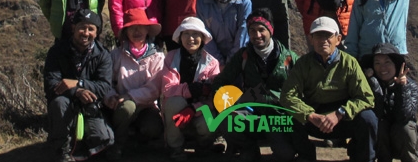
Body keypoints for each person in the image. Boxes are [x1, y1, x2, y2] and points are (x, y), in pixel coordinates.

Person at [280, 16, 377, 162]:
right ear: (311, 39)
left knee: (368, 118)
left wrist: (340, 113)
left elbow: (366, 97)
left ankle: (363, 158)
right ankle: (305, 156)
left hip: (343, 119)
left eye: (328, 35)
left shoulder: (349, 63)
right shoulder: (303, 64)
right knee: (288, 116)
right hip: (315, 119)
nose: (323, 40)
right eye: (318, 35)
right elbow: (287, 96)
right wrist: (310, 115)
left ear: (338, 39)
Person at [211, 8, 298, 162]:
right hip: (251, 114)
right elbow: (220, 82)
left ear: (270, 30)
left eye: (261, 30)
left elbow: (302, 89)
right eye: (252, 30)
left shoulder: (289, 59)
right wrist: (227, 103)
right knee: (227, 119)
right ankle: (248, 149)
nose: (257, 35)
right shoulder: (243, 56)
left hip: (277, 118)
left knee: (286, 155)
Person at [44, 9, 114, 162]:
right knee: (59, 102)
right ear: (73, 28)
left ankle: (85, 147)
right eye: (82, 27)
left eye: (91, 29)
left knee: (103, 139)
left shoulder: (103, 55)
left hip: (91, 104)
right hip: (66, 102)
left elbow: (104, 86)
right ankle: (63, 150)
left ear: (97, 33)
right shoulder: (57, 51)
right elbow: (51, 84)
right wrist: (76, 92)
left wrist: (79, 84)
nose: (86, 32)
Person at [104, 9, 165, 160]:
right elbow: (106, 82)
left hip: (147, 107)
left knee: (152, 128)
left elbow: (155, 88)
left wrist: (130, 96)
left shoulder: (157, 57)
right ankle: (117, 145)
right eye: (132, 27)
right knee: (127, 108)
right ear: (126, 32)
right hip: (121, 106)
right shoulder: (116, 55)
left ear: (147, 30)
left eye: (140, 26)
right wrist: (111, 97)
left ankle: (137, 140)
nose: (137, 31)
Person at [160, 17, 221, 161]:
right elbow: (168, 89)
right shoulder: (170, 58)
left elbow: (214, 98)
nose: (191, 38)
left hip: (200, 110)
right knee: (174, 102)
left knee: (206, 123)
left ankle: (204, 144)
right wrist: (191, 90)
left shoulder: (212, 63)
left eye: (195, 34)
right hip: (177, 110)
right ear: (180, 37)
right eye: (186, 34)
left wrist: (194, 108)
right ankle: (175, 147)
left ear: (202, 37)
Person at [362, 43, 418, 162]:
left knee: (406, 128)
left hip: (401, 140)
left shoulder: (411, 86)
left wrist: (401, 88)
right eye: (377, 63)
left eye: (387, 62)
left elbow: (404, 116)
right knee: (379, 124)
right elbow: (376, 114)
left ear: (396, 65)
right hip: (381, 143)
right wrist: (373, 84)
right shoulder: (369, 84)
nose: (382, 68)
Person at [195, 0, 251, 67]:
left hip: (239, 60)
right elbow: (205, 34)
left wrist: (231, 63)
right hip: (211, 62)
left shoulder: (244, 1)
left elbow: (243, 34)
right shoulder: (202, 3)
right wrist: (218, 62)